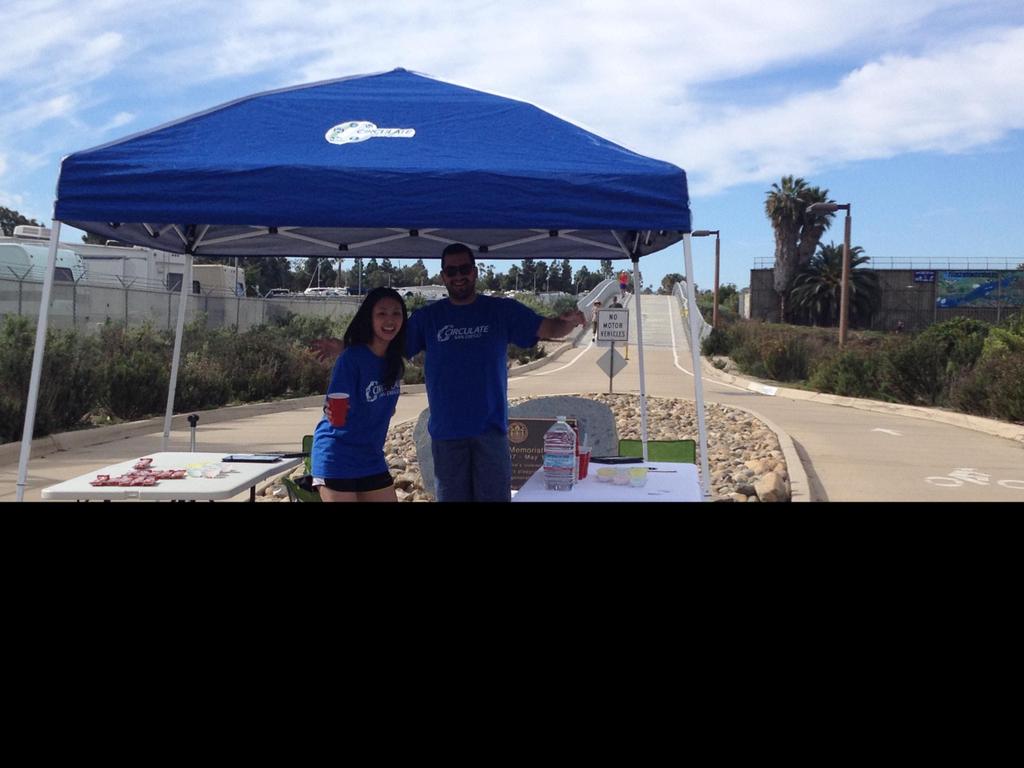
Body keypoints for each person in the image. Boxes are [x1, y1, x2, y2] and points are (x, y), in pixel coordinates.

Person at [406, 243, 585, 502]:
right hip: (447, 436)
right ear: (443, 276)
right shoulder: (427, 318)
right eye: (451, 271)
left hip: (490, 434)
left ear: (475, 272)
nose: (459, 276)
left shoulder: (501, 311)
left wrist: (566, 323)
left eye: (464, 269)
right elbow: (388, 348)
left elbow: (548, 328)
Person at [310, 287, 408, 502]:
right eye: (381, 313)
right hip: (337, 457)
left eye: (396, 313)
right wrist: (334, 411)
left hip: (371, 457)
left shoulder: (394, 363)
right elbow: (335, 408)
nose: (390, 320)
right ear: (369, 318)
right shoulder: (350, 359)